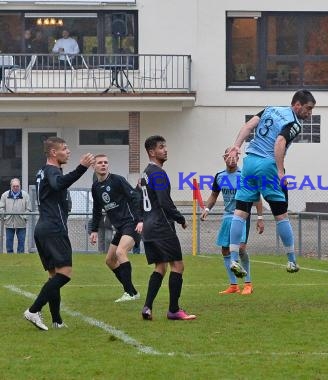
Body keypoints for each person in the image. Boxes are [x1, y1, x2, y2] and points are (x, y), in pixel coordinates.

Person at [226, 90, 316, 277]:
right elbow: (280, 141)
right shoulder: (294, 123)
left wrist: (236, 146)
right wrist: (280, 171)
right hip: (267, 165)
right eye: (308, 108)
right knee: (281, 215)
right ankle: (291, 260)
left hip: (249, 162)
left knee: (240, 212)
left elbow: (248, 126)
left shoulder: (270, 109)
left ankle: (233, 258)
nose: (309, 113)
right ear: (297, 105)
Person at [23, 137, 94, 330]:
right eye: (64, 148)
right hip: (53, 228)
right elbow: (58, 184)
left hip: (43, 227)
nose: (68, 151)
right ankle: (33, 310)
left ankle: (57, 321)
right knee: (65, 273)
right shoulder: (52, 171)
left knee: (54, 275)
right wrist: (82, 167)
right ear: (54, 153)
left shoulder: (42, 171)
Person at [139, 135, 196, 321]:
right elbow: (164, 201)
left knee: (160, 267)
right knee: (178, 265)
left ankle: (147, 307)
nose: (165, 150)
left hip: (148, 227)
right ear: (151, 152)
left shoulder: (145, 173)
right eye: (161, 147)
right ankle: (173, 310)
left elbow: (137, 197)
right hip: (161, 226)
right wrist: (180, 218)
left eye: (165, 146)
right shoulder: (158, 173)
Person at [200, 147, 265, 295]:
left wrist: (260, 218)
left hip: (242, 217)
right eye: (229, 156)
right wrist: (207, 209)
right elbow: (214, 195)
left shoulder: (245, 175)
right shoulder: (219, 176)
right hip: (227, 216)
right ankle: (234, 285)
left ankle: (248, 284)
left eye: (235, 156)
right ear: (224, 158)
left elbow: (257, 198)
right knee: (225, 249)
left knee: (241, 248)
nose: (232, 159)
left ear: (238, 157)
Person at [89, 154, 142, 302]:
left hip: (131, 223)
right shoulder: (95, 187)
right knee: (110, 261)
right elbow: (96, 209)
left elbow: (135, 197)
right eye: (100, 163)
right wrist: (94, 230)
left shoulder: (117, 180)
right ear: (94, 167)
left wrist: (140, 220)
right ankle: (132, 291)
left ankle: (129, 293)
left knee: (120, 252)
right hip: (120, 227)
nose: (103, 165)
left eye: (106, 162)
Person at [0, 178, 31, 253]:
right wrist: (5, 217)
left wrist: (24, 218)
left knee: (21, 242)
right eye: (14, 186)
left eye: (17, 186)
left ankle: (20, 258)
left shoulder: (25, 195)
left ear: (20, 186)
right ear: (11, 186)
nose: (16, 187)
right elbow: (1, 207)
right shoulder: (5, 195)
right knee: (9, 242)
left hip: (21, 224)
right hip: (9, 223)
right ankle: (10, 258)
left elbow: (29, 209)